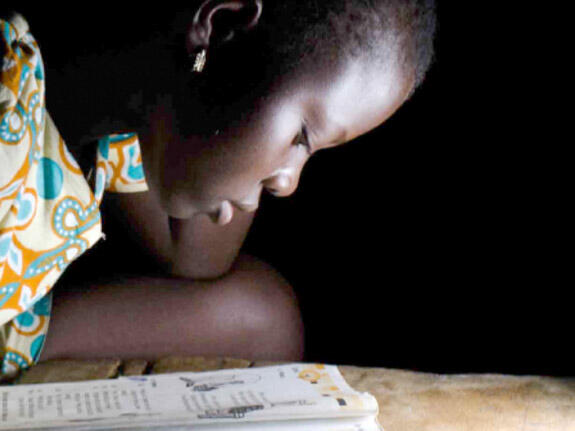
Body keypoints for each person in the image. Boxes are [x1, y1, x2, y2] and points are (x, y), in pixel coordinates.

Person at [0, 1, 436, 377]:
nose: (287, 183)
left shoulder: (127, 107)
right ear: (222, 27)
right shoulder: (9, 121)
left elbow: (195, 257)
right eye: (301, 137)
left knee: (265, 319)